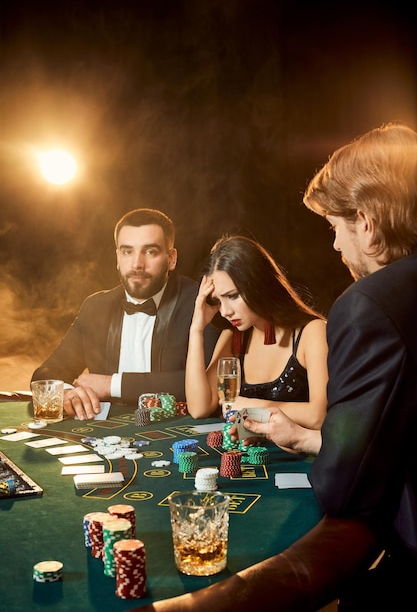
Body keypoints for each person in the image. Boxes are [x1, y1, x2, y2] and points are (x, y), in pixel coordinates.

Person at [135, 122, 417, 611]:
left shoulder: (367, 305)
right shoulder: (236, 338)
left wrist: (287, 427)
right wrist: (301, 438)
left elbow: (345, 487)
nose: (335, 247)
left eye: (334, 228)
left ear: (367, 223)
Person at [31, 208, 221, 420]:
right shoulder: (96, 307)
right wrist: (66, 393)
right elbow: (46, 373)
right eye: (127, 251)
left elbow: (208, 383)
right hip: (106, 436)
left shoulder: (200, 302)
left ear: (171, 258)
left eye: (150, 251)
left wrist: (112, 384)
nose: (137, 264)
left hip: (177, 437)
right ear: (118, 257)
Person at [185, 234, 328, 429]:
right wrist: (196, 329)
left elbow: (320, 416)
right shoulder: (234, 338)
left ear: (257, 283)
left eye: (232, 296)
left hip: (301, 456)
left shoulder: (312, 333)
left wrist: (251, 406)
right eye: (218, 301)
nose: (225, 311)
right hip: (249, 453)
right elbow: (199, 408)